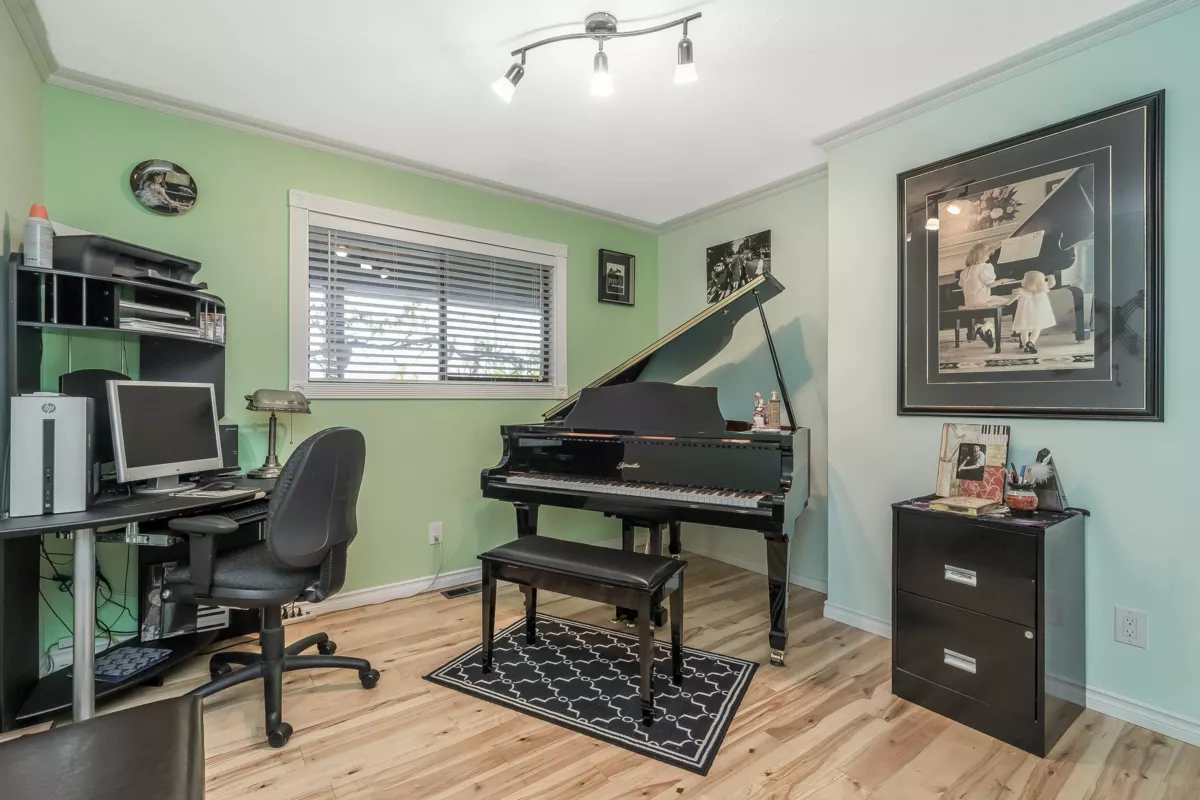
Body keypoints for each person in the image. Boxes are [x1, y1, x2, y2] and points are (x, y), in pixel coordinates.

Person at [957, 242, 1012, 348]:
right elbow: (991, 284)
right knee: (1009, 302)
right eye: (988, 254)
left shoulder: (964, 272)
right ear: (982, 255)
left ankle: (982, 328)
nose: (988, 257)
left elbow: (962, 285)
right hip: (983, 301)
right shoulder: (984, 267)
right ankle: (986, 327)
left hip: (969, 303)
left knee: (993, 307)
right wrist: (1002, 281)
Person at [1010, 270, 1058, 354]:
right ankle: (1031, 342)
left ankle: (1026, 344)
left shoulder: (1022, 291)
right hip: (1038, 315)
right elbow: (1052, 283)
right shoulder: (1042, 289)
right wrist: (1050, 276)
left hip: (1024, 314)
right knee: (1037, 329)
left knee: (1024, 330)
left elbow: (1013, 296)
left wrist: (1008, 301)